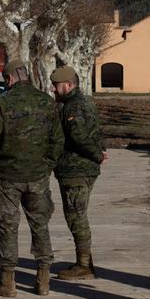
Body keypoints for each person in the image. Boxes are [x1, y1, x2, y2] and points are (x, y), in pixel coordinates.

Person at [0, 59, 63, 297]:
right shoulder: (47, 102)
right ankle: (43, 280)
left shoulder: (3, 102)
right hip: (38, 176)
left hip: (7, 176)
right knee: (40, 224)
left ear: (9, 79)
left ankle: (7, 283)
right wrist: (46, 165)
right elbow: (58, 140)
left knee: (7, 227)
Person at [49, 66, 106, 280]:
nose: (53, 89)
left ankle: (84, 266)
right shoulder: (84, 102)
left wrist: (97, 154)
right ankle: (84, 262)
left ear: (69, 85)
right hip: (81, 168)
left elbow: (79, 136)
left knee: (76, 216)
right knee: (76, 214)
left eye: (56, 85)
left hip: (76, 169)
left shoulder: (72, 106)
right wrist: (100, 150)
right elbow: (97, 131)